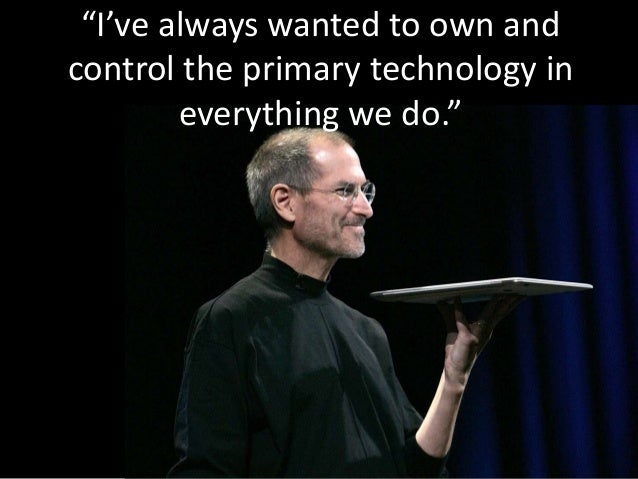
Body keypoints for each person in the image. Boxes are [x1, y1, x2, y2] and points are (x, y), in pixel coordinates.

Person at [167, 127, 525, 477]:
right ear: (285, 202)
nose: (366, 209)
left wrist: (455, 378)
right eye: (345, 191)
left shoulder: (367, 332)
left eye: (365, 191)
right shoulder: (231, 319)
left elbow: (415, 468)